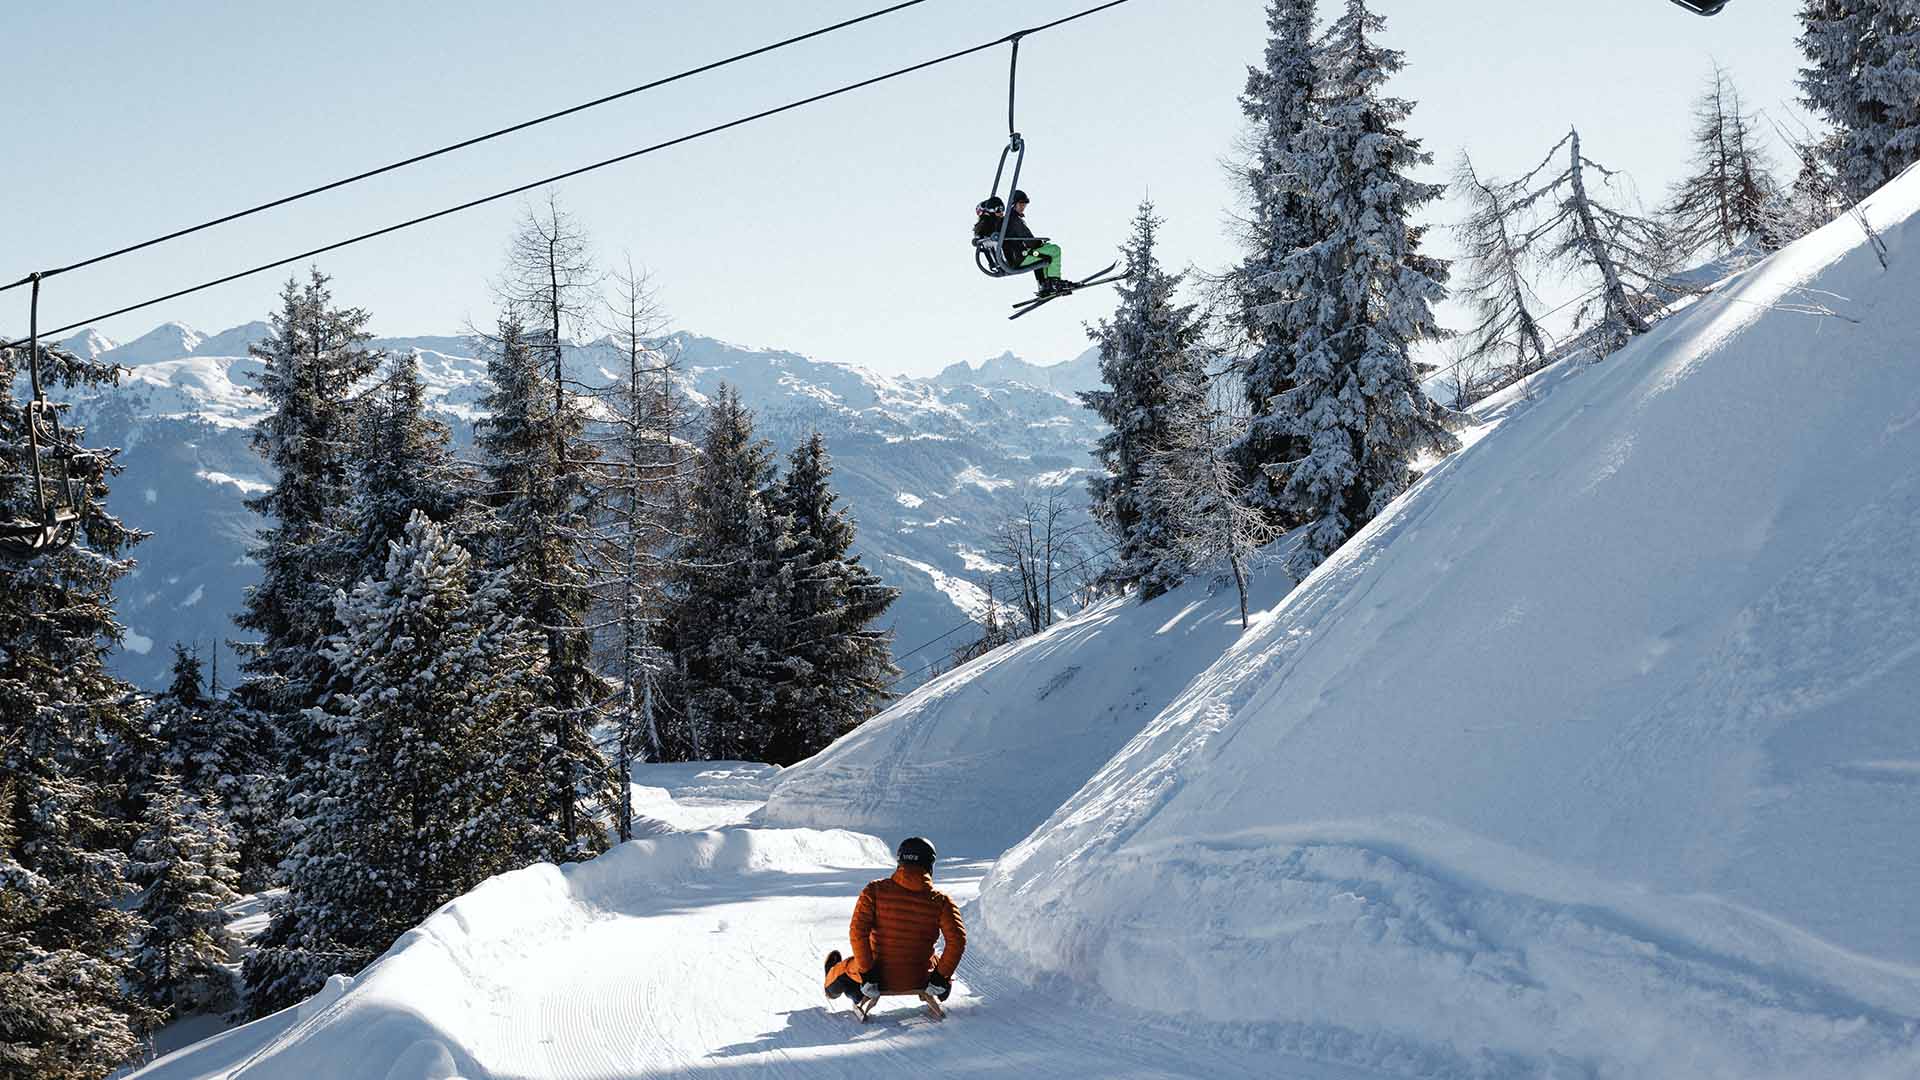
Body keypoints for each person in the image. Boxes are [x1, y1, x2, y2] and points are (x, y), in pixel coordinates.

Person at [822, 836, 965, 1009]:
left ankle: (834, 987)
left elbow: (858, 932)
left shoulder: (874, 890)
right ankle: (941, 986)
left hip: (877, 977)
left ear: (900, 861)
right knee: (939, 963)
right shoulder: (942, 901)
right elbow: (957, 941)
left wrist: (868, 973)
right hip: (920, 977)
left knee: (846, 967)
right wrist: (941, 977)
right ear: (930, 864)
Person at [975, 190, 1068, 297]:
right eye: (1020, 204)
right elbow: (1029, 241)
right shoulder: (1012, 220)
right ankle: (1054, 282)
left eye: (1024, 204)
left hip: (1009, 259)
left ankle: (1044, 285)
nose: (1023, 207)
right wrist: (1039, 243)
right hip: (1018, 258)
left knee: (1039, 255)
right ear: (1013, 204)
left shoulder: (991, 225)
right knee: (1054, 250)